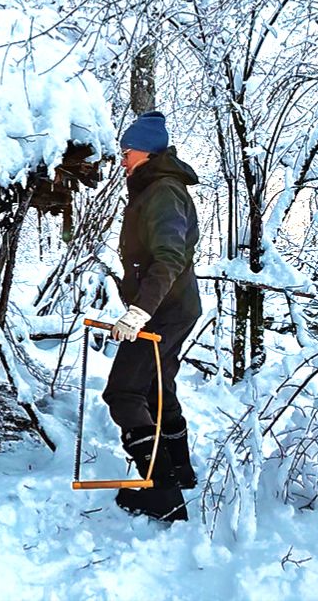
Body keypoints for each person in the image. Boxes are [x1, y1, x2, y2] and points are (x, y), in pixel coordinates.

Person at [103, 110, 202, 520]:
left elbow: (169, 256)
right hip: (172, 307)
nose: (122, 159)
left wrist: (139, 312)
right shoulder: (155, 188)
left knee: (124, 392)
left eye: (127, 151)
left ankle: (162, 492)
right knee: (157, 388)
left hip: (163, 310)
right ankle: (179, 471)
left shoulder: (163, 191)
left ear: (145, 151)